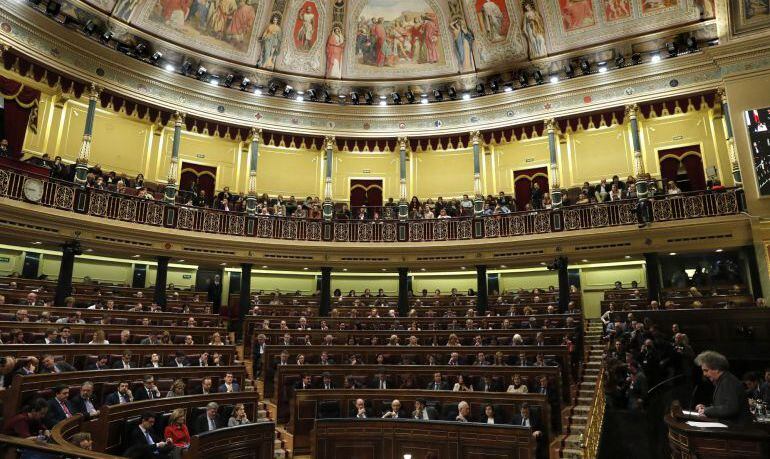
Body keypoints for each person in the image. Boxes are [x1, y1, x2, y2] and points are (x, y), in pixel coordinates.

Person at [694, 351, 752, 423]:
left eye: (706, 370)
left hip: (738, 430)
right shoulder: (724, 380)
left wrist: (706, 410)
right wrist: (706, 409)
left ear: (717, 369)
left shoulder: (728, 381)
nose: (704, 374)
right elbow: (723, 406)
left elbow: (731, 408)